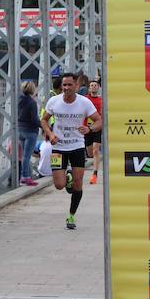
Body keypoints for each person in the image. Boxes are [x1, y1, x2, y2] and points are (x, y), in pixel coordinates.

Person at [40, 73, 102, 230]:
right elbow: (44, 120)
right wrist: (50, 134)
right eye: (64, 85)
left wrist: (89, 128)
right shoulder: (54, 101)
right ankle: (67, 177)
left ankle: (71, 215)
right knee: (59, 185)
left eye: (69, 85)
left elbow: (100, 121)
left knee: (78, 184)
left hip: (77, 146)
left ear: (76, 86)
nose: (66, 88)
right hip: (58, 147)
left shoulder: (84, 102)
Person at [16, 81, 40, 187]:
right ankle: (25, 177)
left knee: (23, 156)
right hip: (31, 131)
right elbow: (34, 119)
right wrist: (44, 126)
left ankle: (24, 176)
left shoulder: (19, 101)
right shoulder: (32, 102)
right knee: (27, 156)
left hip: (21, 130)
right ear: (33, 89)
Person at [85, 80, 104, 185]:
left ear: (99, 88)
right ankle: (93, 164)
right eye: (91, 85)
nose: (93, 87)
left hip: (97, 127)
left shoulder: (102, 100)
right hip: (86, 128)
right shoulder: (85, 99)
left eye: (95, 85)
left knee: (96, 150)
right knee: (90, 152)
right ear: (89, 88)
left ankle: (95, 174)